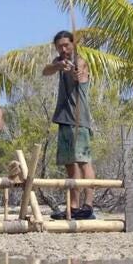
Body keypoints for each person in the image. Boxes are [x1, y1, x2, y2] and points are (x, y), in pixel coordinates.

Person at [42, 30, 96, 220]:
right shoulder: (58, 62)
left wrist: (75, 72)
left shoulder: (80, 61)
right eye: (60, 46)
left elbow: (80, 74)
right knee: (70, 165)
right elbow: (45, 70)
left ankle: (88, 206)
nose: (63, 49)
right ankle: (73, 207)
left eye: (66, 45)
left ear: (73, 44)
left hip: (79, 120)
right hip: (64, 119)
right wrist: (58, 66)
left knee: (83, 161)